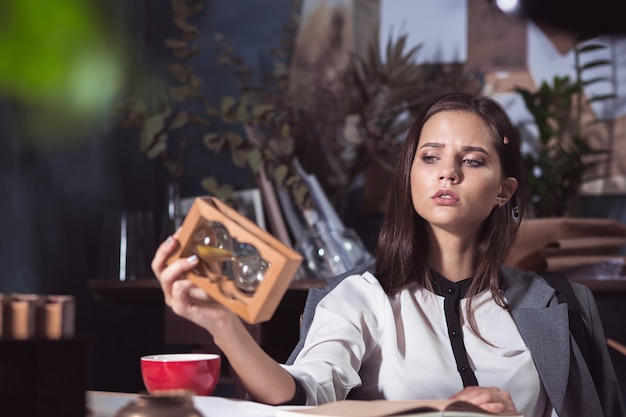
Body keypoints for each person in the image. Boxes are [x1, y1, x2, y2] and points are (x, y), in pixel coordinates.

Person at [152, 92, 625, 417]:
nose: (449, 173)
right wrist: (222, 324)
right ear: (410, 176)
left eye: (473, 160)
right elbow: (298, 398)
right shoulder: (359, 297)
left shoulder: (562, 304)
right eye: (431, 156)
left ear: (504, 190)